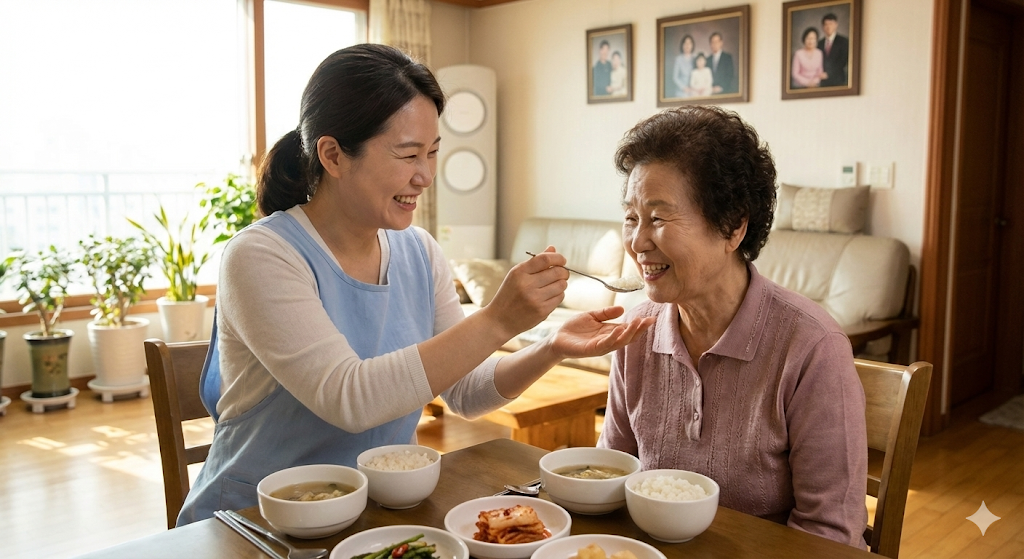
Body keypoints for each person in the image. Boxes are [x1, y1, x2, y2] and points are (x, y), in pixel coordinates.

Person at [177, 44, 655, 525]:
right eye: (408, 154)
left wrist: (551, 347)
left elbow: (466, 392)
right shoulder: (262, 255)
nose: (425, 176)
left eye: (432, 153)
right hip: (250, 524)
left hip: (372, 519)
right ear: (333, 155)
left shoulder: (419, 253)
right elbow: (349, 397)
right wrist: (497, 319)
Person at [597, 106, 868, 549]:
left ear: (733, 226)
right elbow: (611, 476)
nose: (638, 242)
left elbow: (829, 535)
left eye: (659, 218)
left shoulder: (812, 346)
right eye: (632, 217)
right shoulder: (636, 330)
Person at [818, 13, 849, 87]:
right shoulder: (819, 43)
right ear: (823, 27)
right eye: (826, 24)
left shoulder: (844, 41)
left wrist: (828, 73)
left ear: (836, 25)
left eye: (831, 24)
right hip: (822, 82)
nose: (828, 27)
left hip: (838, 80)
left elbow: (843, 61)